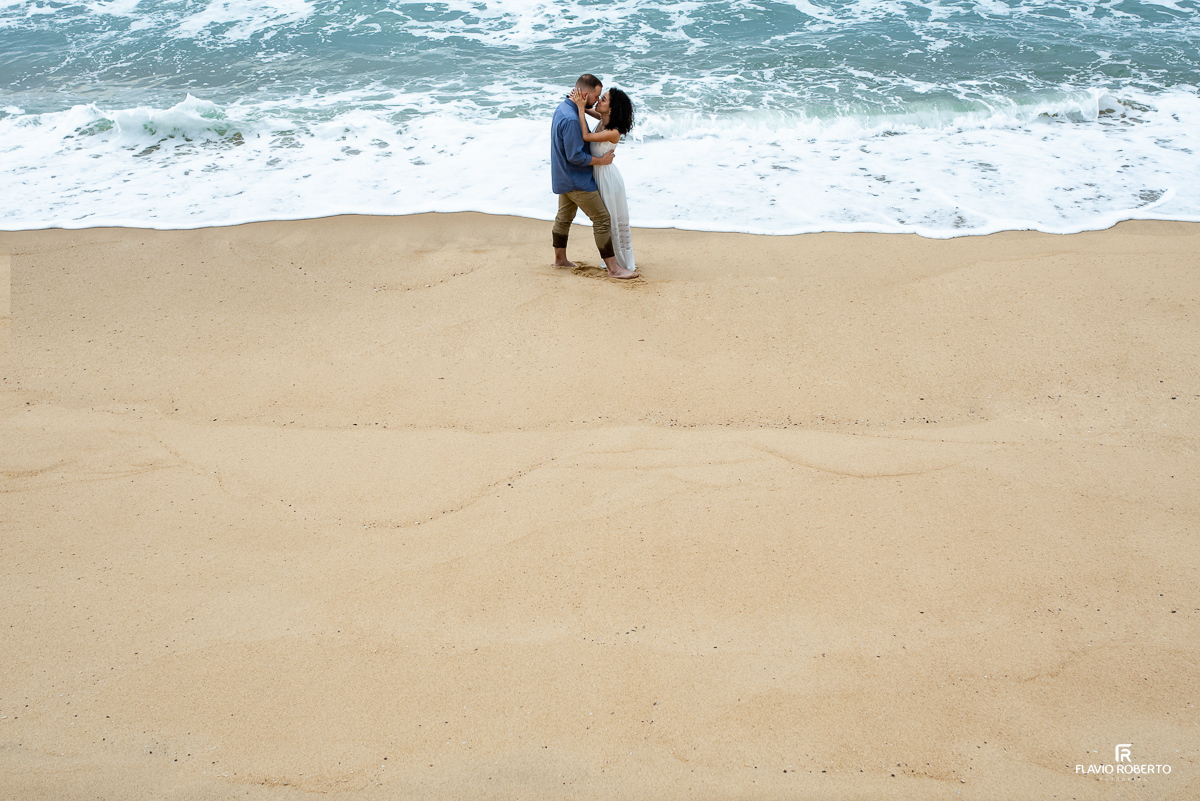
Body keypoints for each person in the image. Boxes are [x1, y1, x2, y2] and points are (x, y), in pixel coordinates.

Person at [550, 74, 636, 279]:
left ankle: (560, 260)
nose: (598, 101)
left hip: (566, 175)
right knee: (603, 219)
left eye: (602, 99)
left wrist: (579, 104)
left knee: (564, 217)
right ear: (584, 94)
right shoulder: (573, 118)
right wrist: (600, 161)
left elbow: (586, 133)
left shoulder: (563, 109)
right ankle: (614, 269)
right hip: (578, 179)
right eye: (597, 96)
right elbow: (575, 156)